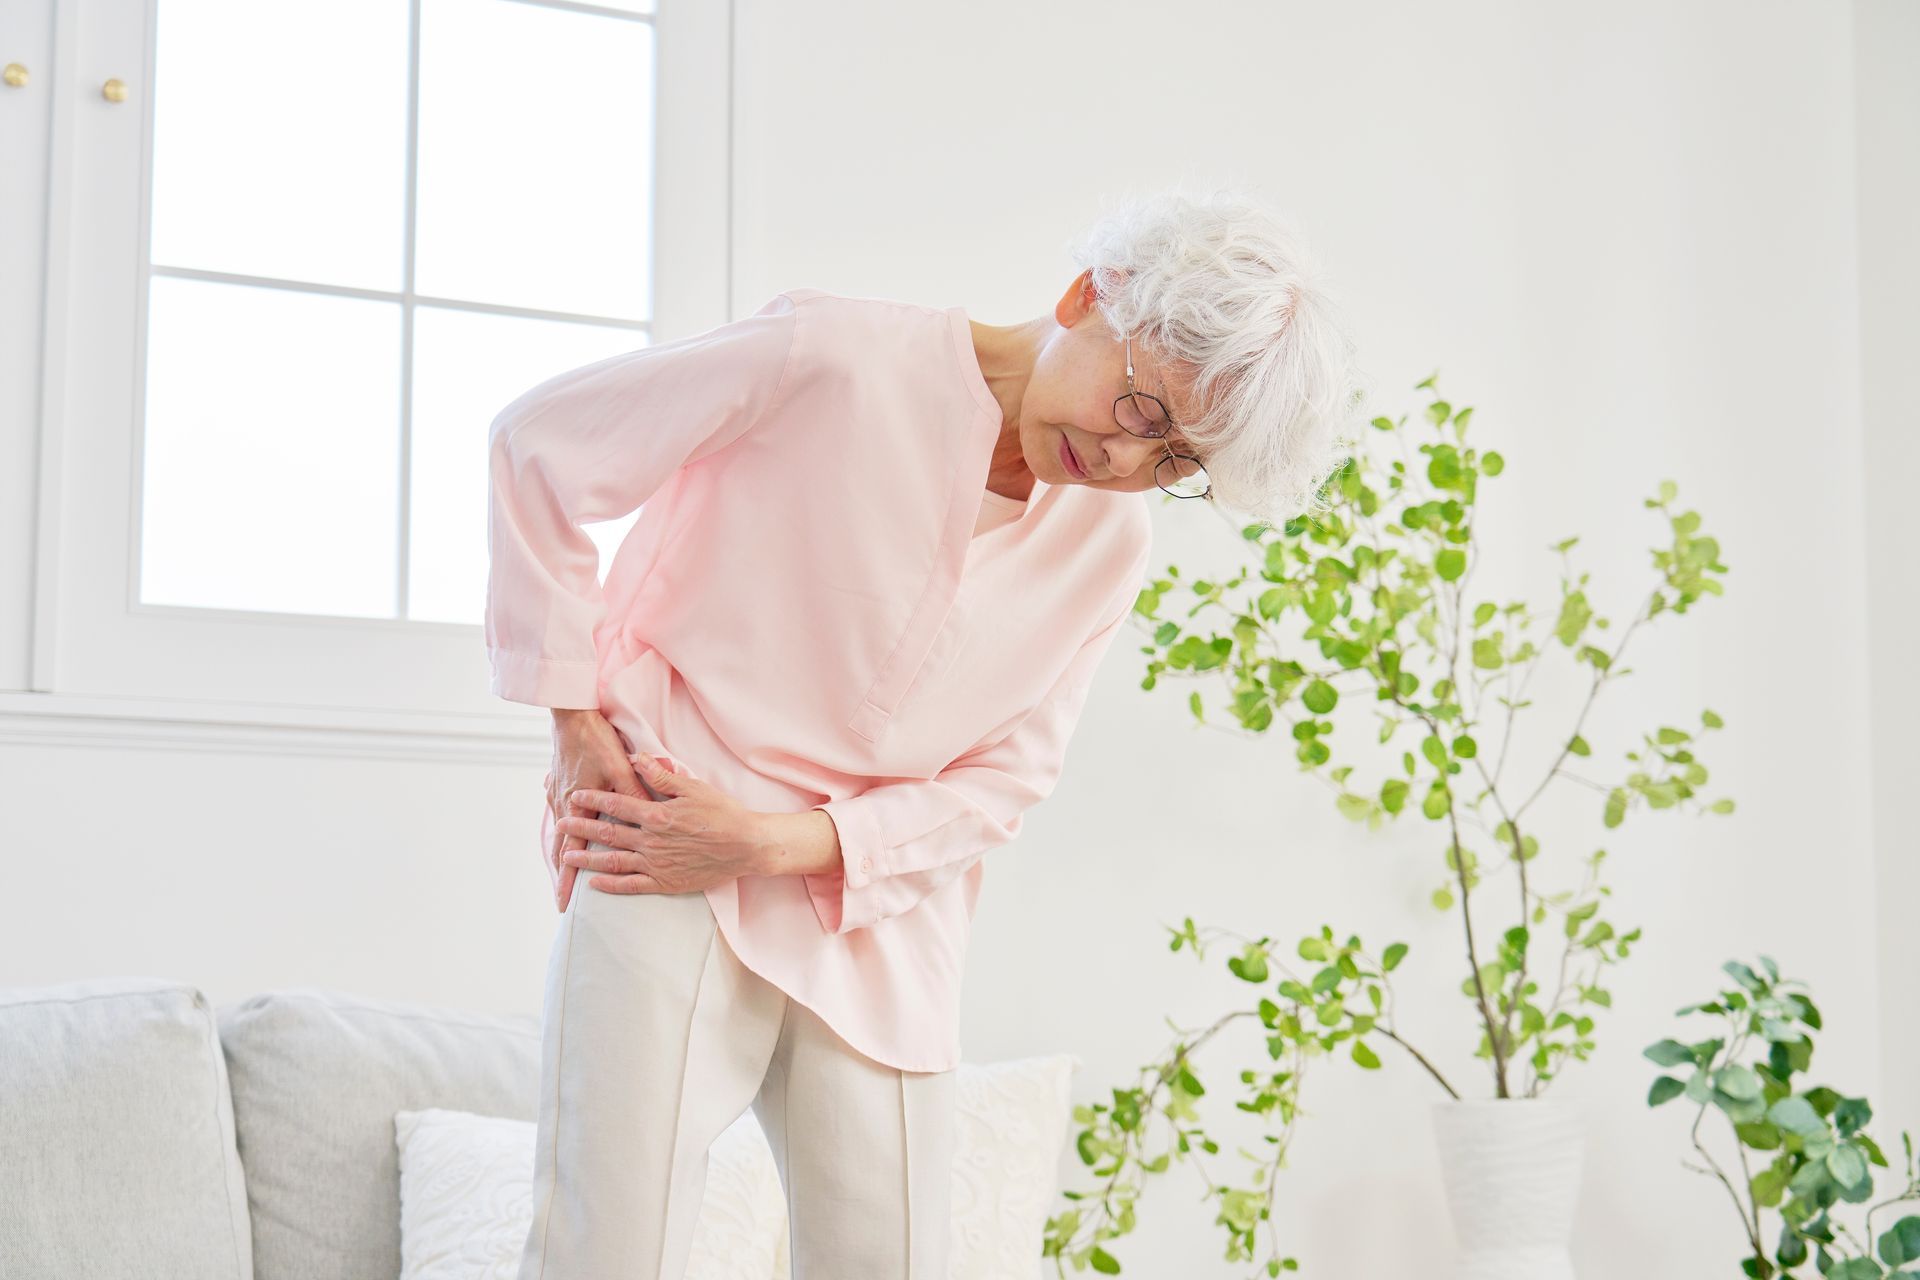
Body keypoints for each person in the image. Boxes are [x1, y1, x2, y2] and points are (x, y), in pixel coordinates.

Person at [485, 186, 1363, 1278]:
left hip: (879, 910)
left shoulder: (1109, 545)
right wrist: (573, 723)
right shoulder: (828, 354)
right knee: (601, 1251)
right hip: (662, 840)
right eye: (1147, 413)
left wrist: (773, 842)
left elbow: (1004, 781)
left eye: (1179, 463)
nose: (1133, 467)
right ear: (1093, 294)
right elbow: (539, 447)